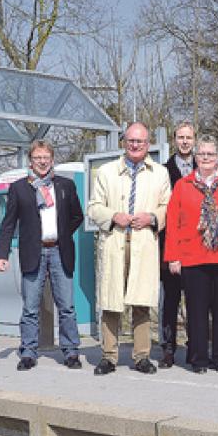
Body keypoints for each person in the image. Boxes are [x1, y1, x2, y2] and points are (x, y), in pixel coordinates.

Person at [87, 122, 171, 376]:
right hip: (115, 242)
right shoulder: (106, 171)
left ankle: (142, 356)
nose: (135, 145)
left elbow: (168, 206)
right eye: (131, 141)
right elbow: (93, 207)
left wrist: (152, 218)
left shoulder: (159, 173)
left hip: (143, 243)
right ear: (124, 142)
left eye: (140, 141)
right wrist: (114, 216)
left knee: (142, 302)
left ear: (148, 144)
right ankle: (109, 356)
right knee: (111, 302)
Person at [0, 139, 84, 371]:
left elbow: (77, 216)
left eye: (46, 157)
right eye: (38, 158)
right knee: (30, 307)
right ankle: (28, 352)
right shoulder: (19, 188)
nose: (42, 162)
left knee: (67, 306)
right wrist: (2, 254)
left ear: (52, 160)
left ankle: (71, 351)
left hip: (60, 251)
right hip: (33, 252)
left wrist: (62, 233)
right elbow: (8, 223)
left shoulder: (65, 186)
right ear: (31, 161)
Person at [164, 135, 218, 374]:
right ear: (195, 157)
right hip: (192, 257)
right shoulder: (182, 185)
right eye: (202, 154)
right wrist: (173, 256)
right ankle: (198, 358)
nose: (206, 158)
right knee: (196, 311)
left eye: (210, 154)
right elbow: (173, 222)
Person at [158, 121, 196, 368]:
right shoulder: (163, 171)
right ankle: (168, 348)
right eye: (181, 137)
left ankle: (195, 347)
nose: (184, 141)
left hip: (196, 246)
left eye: (188, 137)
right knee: (169, 301)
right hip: (170, 243)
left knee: (195, 300)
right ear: (174, 140)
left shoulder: (202, 168)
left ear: (194, 140)